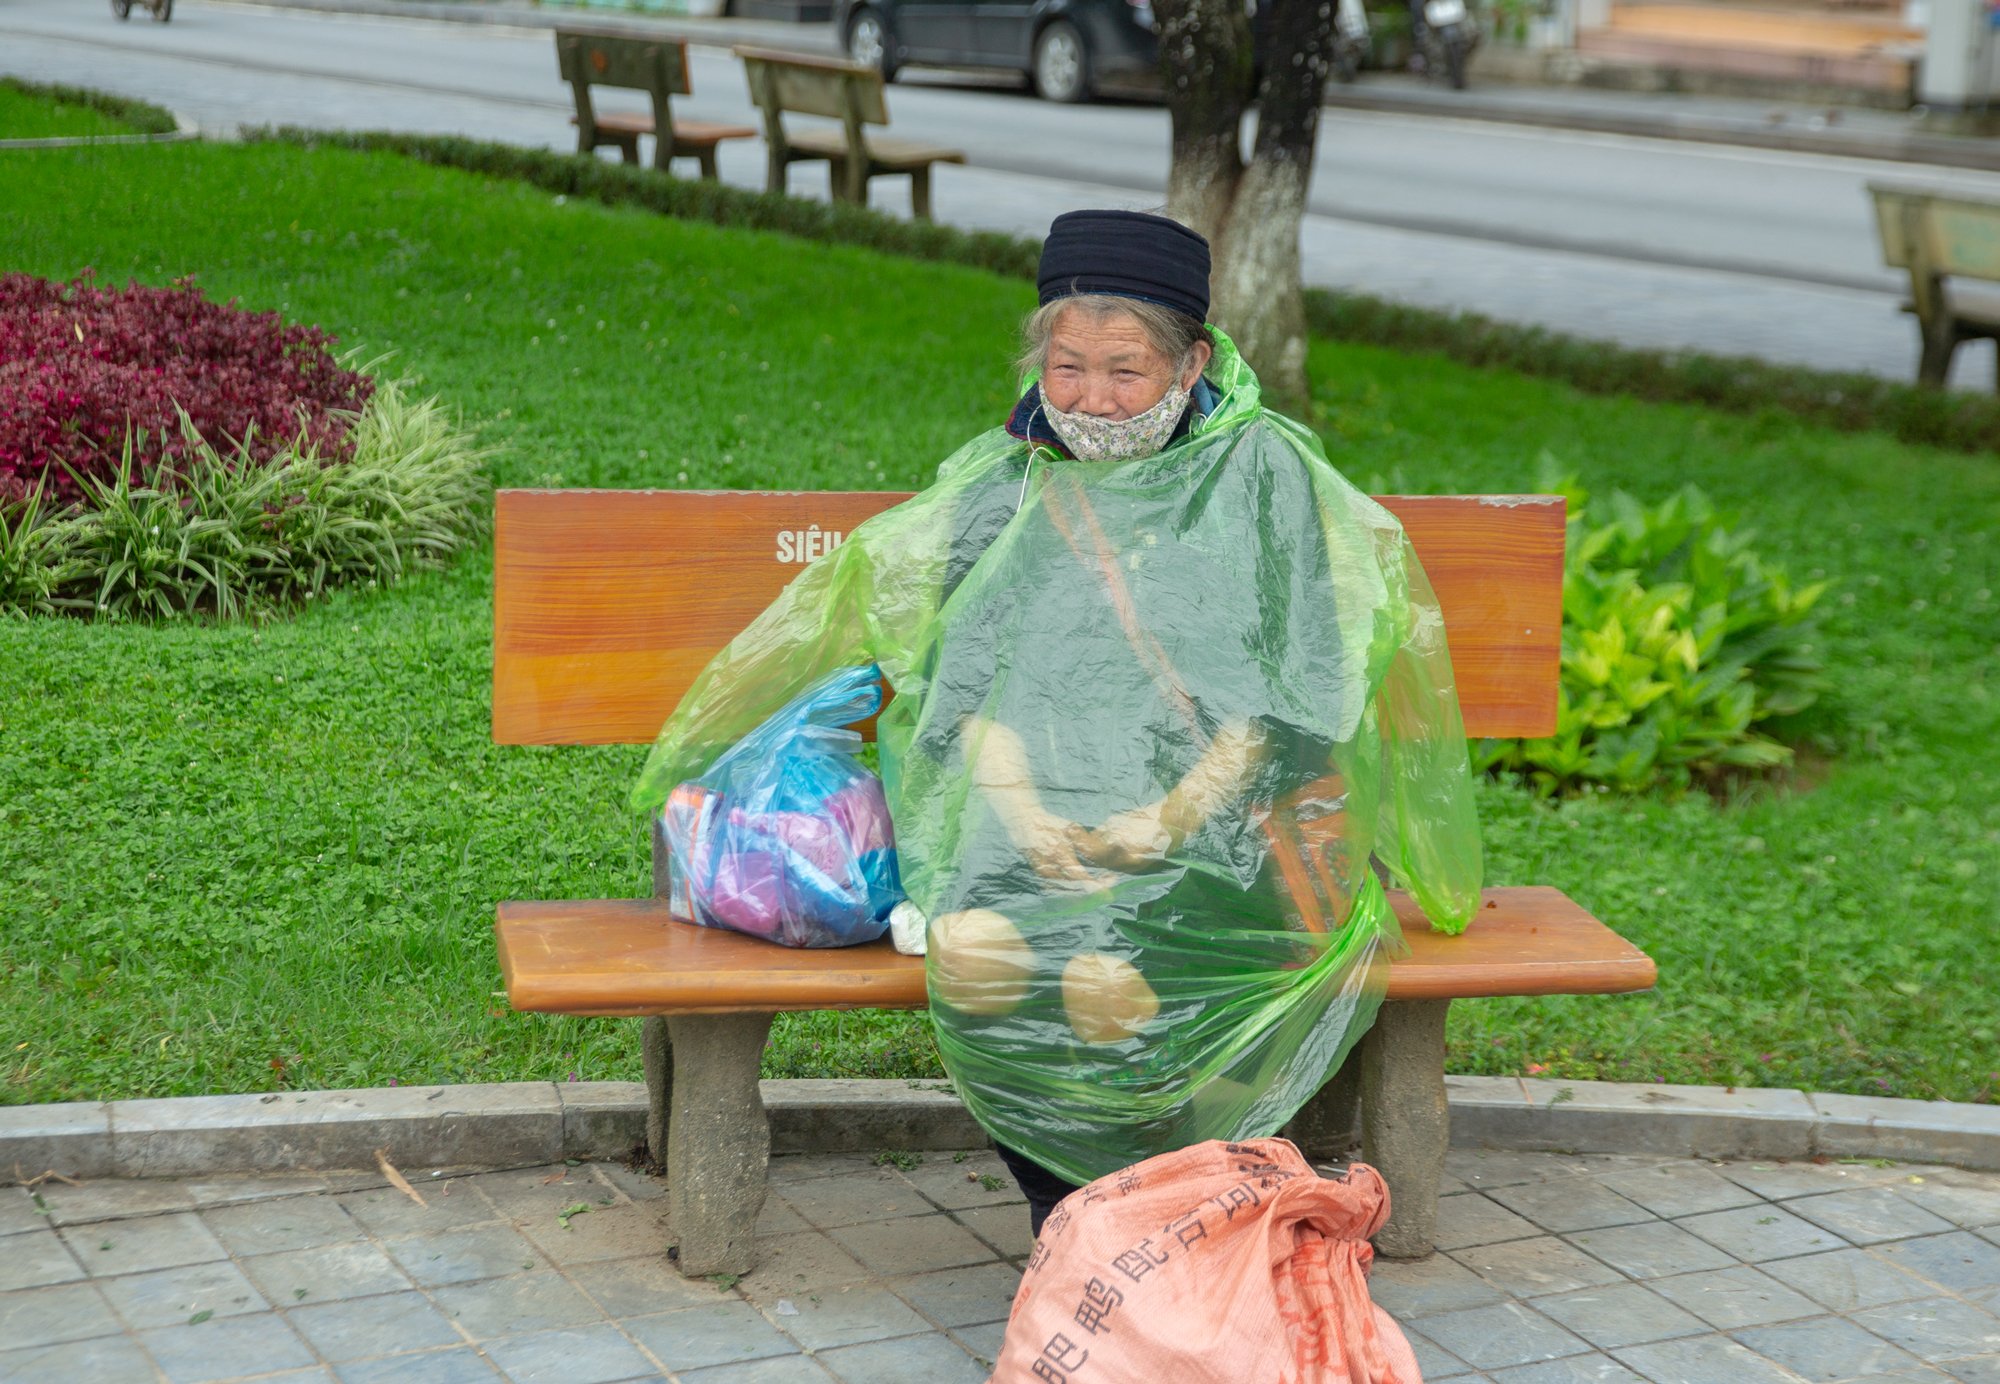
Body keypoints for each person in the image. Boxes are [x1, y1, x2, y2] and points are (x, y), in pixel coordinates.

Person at [634, 209, 1482, 1240]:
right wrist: (1026, 814)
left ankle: (1118, 1222)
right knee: (984, 946)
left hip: (1219, 819)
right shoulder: (1007, 482)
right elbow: (965, 688)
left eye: (1124, 371)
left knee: (1102, 976)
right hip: (1028, 814)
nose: (1090, 399)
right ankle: (1082, 1223)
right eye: (1066, 366)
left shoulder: (1262, 477)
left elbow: (1292, 697)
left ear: (1191, 364)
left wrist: (1168, 818)